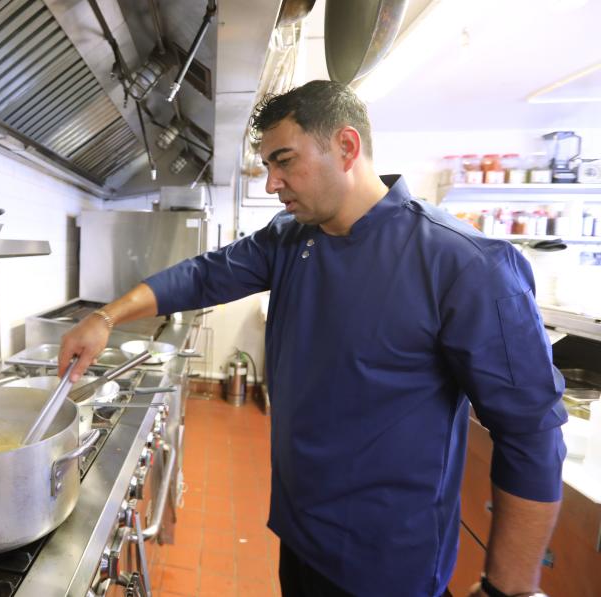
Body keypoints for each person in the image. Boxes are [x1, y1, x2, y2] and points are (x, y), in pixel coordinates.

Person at [58, 80, 566, 597]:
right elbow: (202, 275)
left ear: (346, 147)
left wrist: (509, 588)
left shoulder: (468, 265)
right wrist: (106, 317)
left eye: (284, 162)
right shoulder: (290, 238)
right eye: (268, 167)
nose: (273, 183)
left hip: (387, 563)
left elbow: (530, 432)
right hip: (300, 533)